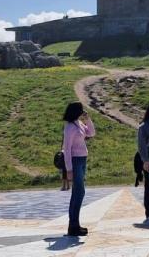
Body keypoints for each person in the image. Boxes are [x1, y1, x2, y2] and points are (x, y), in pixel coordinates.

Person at [62, 102, 95, 237]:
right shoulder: (70, 127)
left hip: (82, 159)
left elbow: (91, 133)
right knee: (79, 192)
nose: (83, 111)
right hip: (75, 161)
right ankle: (73, 225)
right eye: (81, 110)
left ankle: (74, 225)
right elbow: (67, 149)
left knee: (77, 192)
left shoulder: (79, 123)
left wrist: (87, 119)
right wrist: (69, 169)